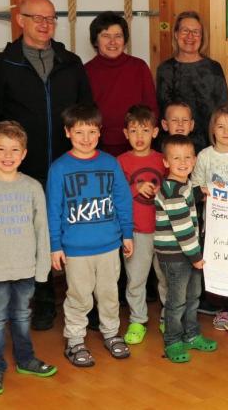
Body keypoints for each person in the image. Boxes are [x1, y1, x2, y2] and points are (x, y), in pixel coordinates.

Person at [0, 0, 94, 331]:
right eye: (37, 18)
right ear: (20, 20)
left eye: (50, 18)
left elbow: (86, 112)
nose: (45, 24)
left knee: (77, 230)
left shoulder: (71, 62)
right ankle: (45, 301)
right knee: (36, 236)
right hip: (24, 170)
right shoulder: (0, 65)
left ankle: (85, 301)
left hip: (70, 165)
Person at [0, 121, 57, 395]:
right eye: (1, 149)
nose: (8, 155)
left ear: (24, 154)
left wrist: (42, 268)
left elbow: (42, 230)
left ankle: (26, 359)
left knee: (21, 316)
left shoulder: (32, 188)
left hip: (26, 269)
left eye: (14, 149)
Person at [46, 104, 134, 366]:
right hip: (75, 249)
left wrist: (127, 234)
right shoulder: (59, 168)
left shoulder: (110, 163)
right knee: (79, 296)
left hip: (108, 246)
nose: (86, 138)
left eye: (92, 132)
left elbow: (122, 200)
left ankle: (111, 333)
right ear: (67, 133)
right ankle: (74, 340)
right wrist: (55, 245)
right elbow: (53, 209)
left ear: (100, 133)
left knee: (109, 294)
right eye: (79, 132)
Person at [155, 134, 219, 363]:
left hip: (189, 255)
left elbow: (191, 194)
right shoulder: (172, 192)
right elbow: (182, 231)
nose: (183, 163)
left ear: (194, 160)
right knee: (177, 301)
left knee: (193, 297)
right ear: (165, 162)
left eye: (188, 157)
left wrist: (204, 191)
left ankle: (191, 335)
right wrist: (196, 257)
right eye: (176, 158)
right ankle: (172, 340)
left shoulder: (184, 185)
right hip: (175, 256)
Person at [190, 104, 228, 334]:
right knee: (219, 264)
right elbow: (194, 186)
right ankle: (224, 307)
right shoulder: (205, 156)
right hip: (214, 224)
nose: (226, 132)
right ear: (212, 129)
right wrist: (206, 190)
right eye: (221, 126)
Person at [117, 105, 168, 342]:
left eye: (145, 130)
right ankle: (138, 320)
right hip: (136, 232)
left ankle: (169, 317)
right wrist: (134, 188)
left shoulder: (163, 159)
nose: (139, 137)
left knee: (166, 277)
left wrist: (163, 190)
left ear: (155, 132)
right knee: (135, 279)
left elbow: (177, 185)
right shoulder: (120, 162)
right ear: (125, 134)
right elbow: (113, 194)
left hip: (165, 230)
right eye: (134, 131)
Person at [85, 11, 158, 157]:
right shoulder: (86, 71)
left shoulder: (139, 67)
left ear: (125, 40)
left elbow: (152, 109)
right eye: (106, 36)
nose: (113, 42)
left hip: (136, 145)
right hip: (98, 146)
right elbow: (84, 115)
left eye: (118, 36)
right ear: (95, 41)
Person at [156, 11, 228, 152]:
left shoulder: (214, 68)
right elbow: (163, 111)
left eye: (196, 32)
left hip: (210, 145)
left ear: (202, 37)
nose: (190, 36)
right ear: (176, 34)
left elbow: (223, 110)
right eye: (185, 31)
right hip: (176, 146)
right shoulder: (165, 69)